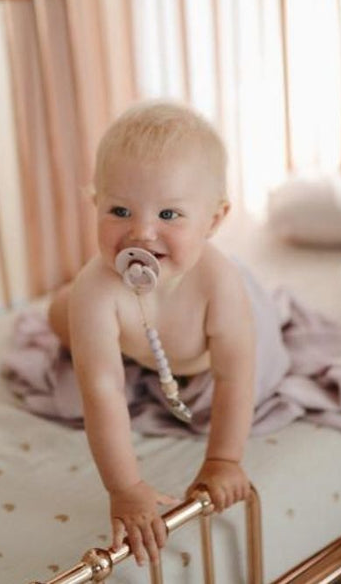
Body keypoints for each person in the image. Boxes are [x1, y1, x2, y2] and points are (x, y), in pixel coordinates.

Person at [47, 100, 256, 567]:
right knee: (60, 315)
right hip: (143, 347)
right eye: (120, 210)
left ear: (213, 220)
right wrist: (125, 488)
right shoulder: (97, 289)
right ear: (95, 204)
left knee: (253, 342)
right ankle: (66, 308)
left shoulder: (219, 283)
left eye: (169, 215)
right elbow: (102, 390)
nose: (141, 232)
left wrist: (223, 459)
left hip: (207, 356)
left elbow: (234, 376)